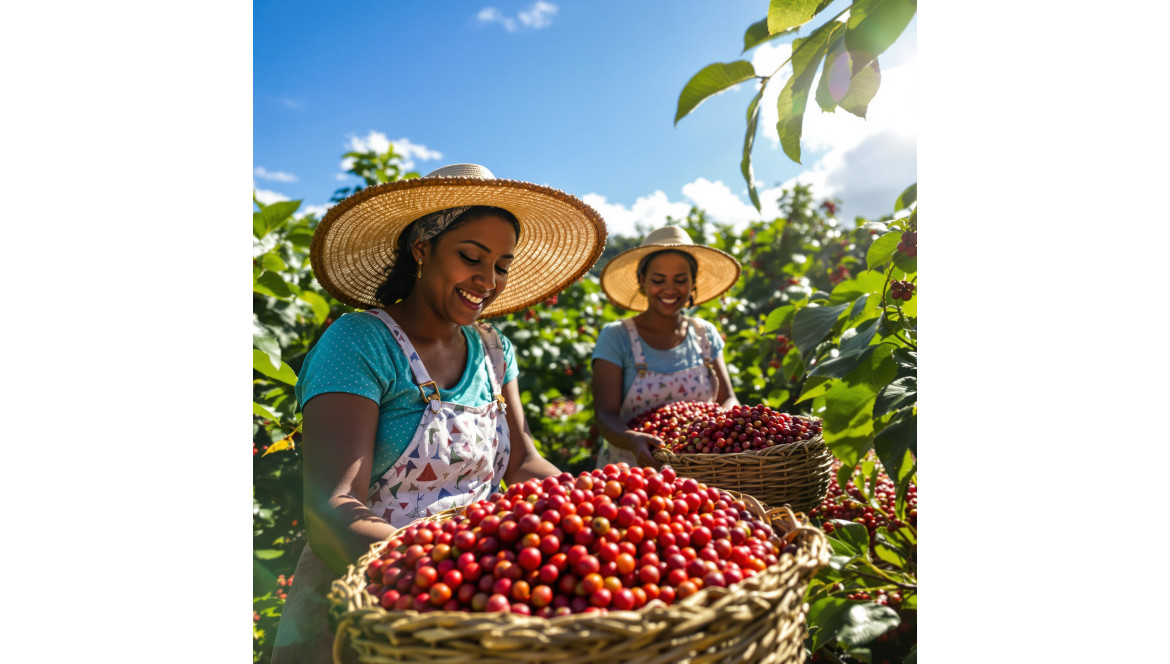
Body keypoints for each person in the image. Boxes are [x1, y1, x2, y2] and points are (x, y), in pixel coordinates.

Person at [270, 163, 607, 664]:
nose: (488, 280)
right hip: (364, 611)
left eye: (502, 265)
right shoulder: (361, 342)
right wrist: (443, 571)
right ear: (422, 249)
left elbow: (522, 461)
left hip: (478, 604)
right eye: (471, 256)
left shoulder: (494, 349)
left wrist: (594, 506)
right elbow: (331, 510)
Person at [590, 225, 742, 469]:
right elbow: (605, 415)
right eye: (658, 280)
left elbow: (729, 398)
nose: (670, 290)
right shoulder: (617, 337)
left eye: (680, 280)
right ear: (642, 280)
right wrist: (633, 439)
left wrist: (716, 425)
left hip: (703, 472)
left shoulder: (705, 335)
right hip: (629, 474)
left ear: (692, 282)